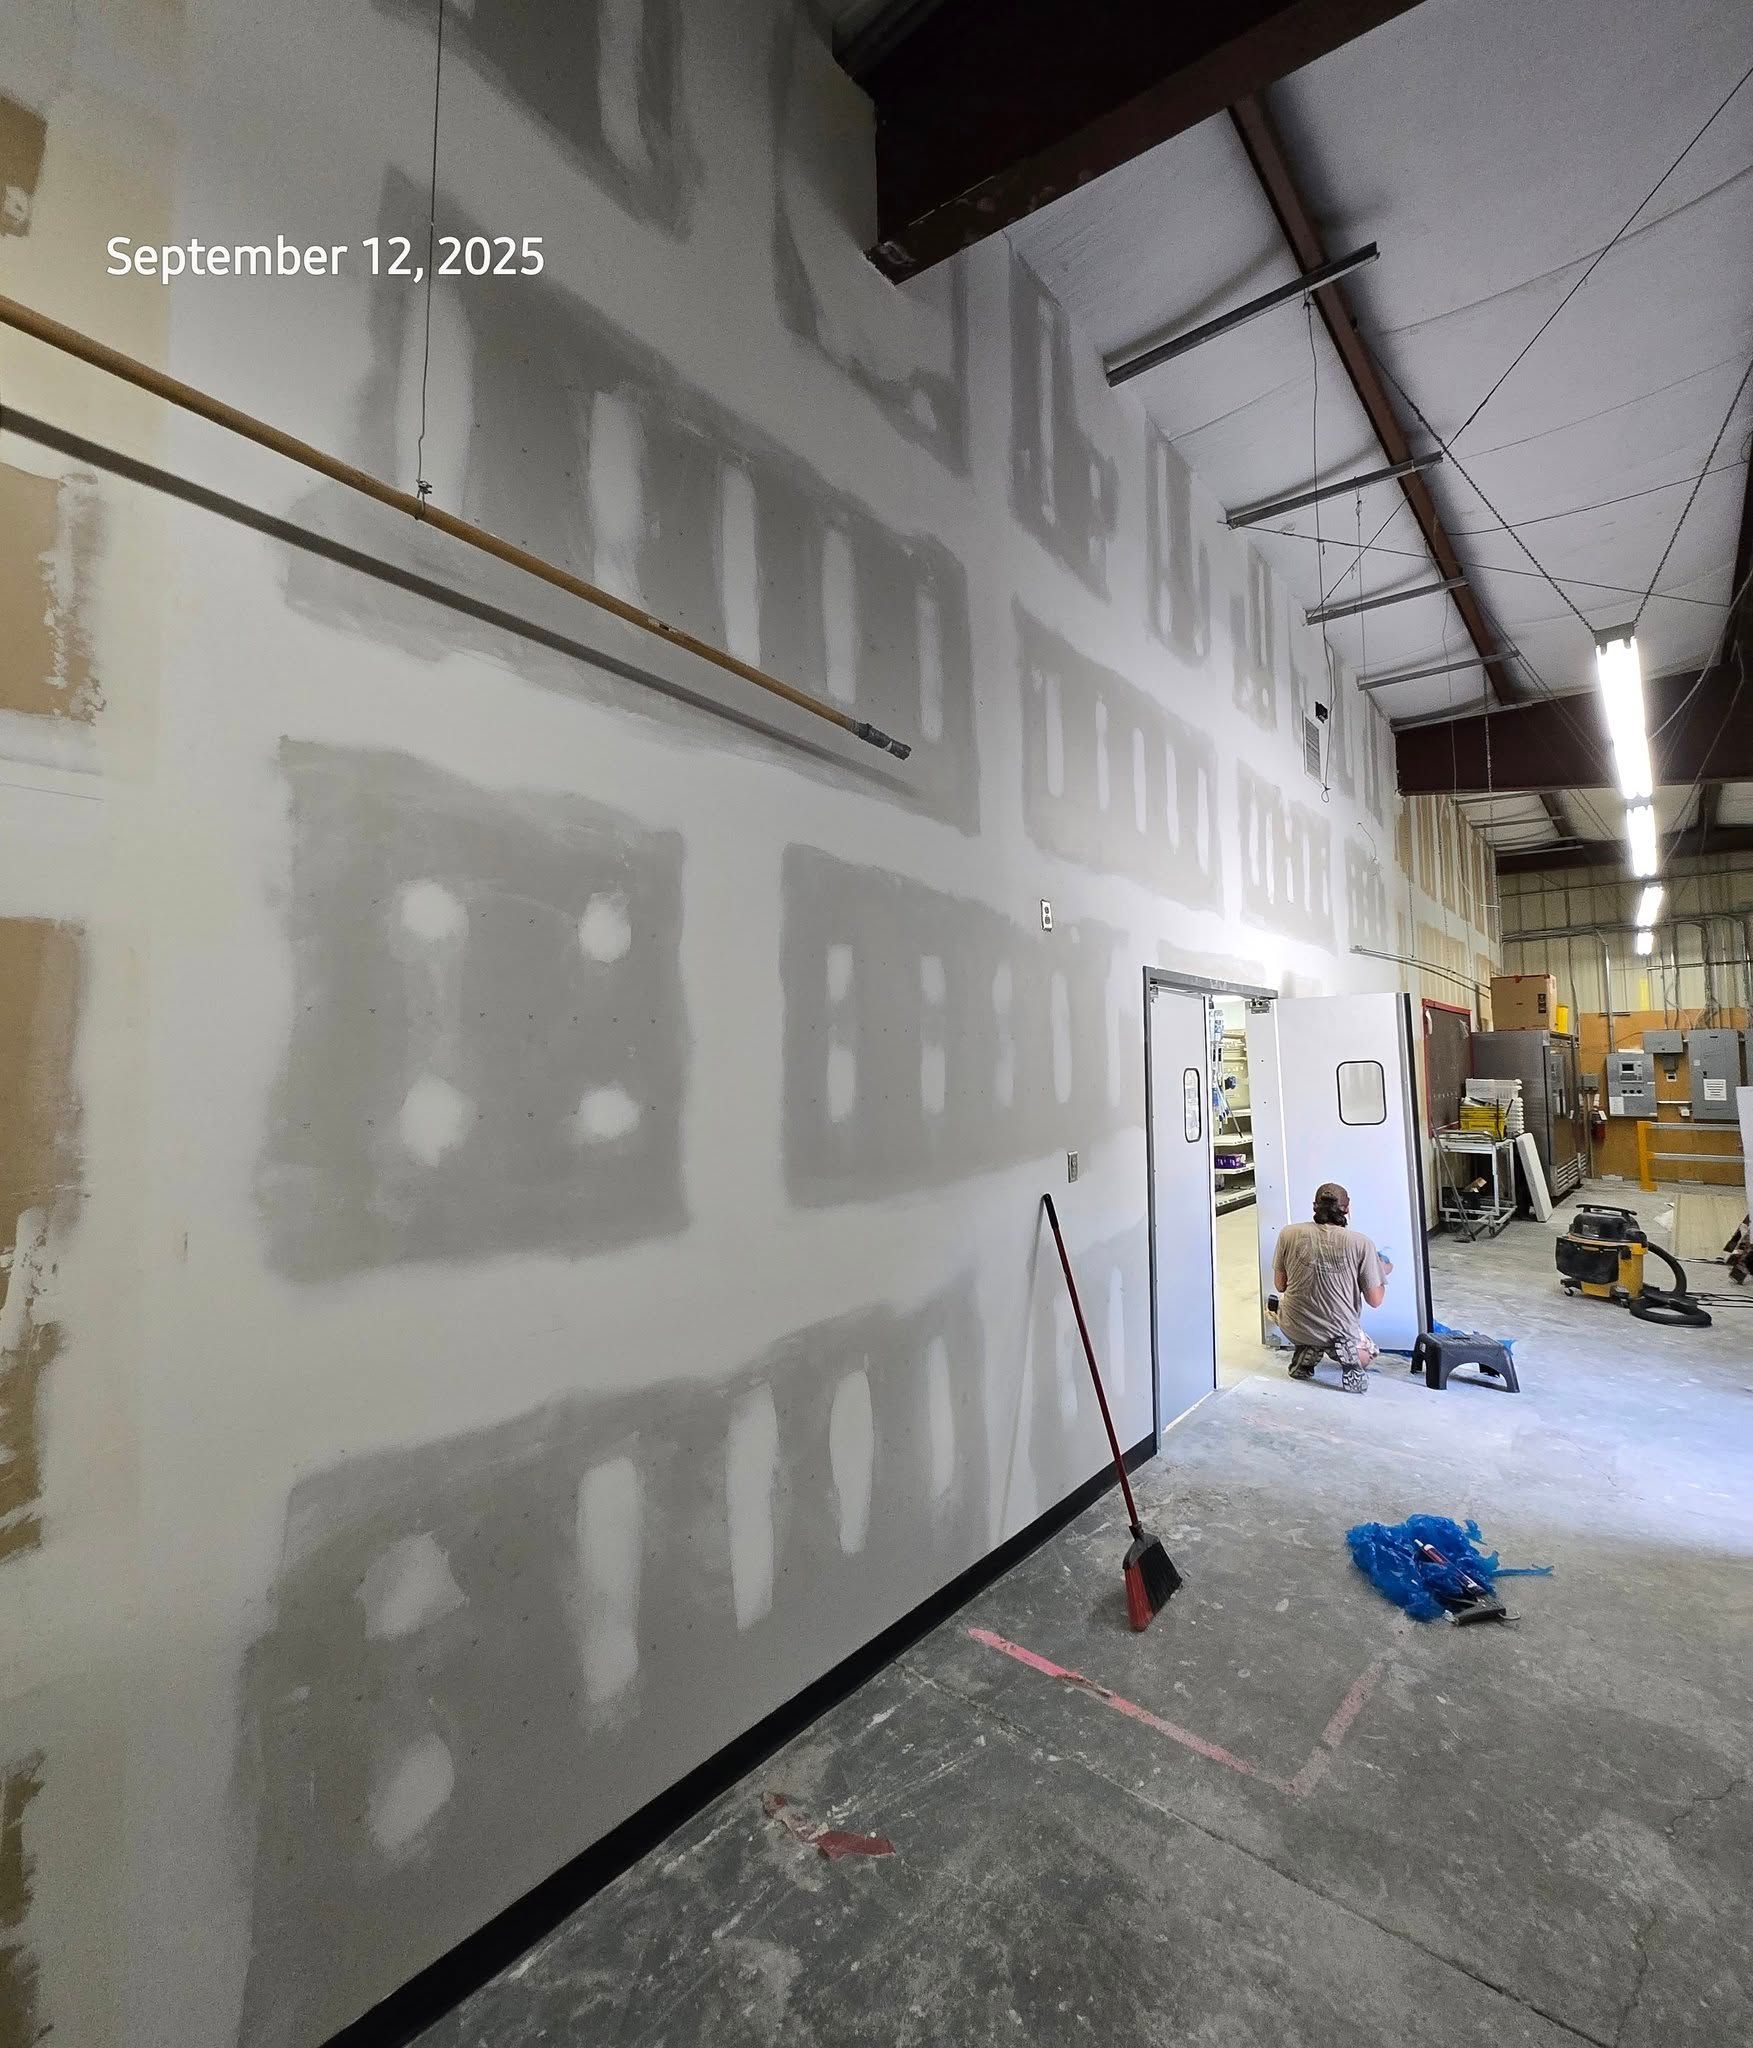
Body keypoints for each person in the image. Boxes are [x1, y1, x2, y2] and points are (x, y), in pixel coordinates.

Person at [1271, 1182, 1391, 1394]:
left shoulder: (1288, 1233)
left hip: (1293, 1325)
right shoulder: (1361, 1243)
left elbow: (1280, 1285)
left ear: (1314, 1206)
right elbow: (1375, 1300)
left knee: (1281, 1307)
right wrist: (1381, 1272)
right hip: (1338, 1330)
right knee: (1368, 1355)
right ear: (1347, 1209)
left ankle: (1309, 1346)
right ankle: (1343, 1348)